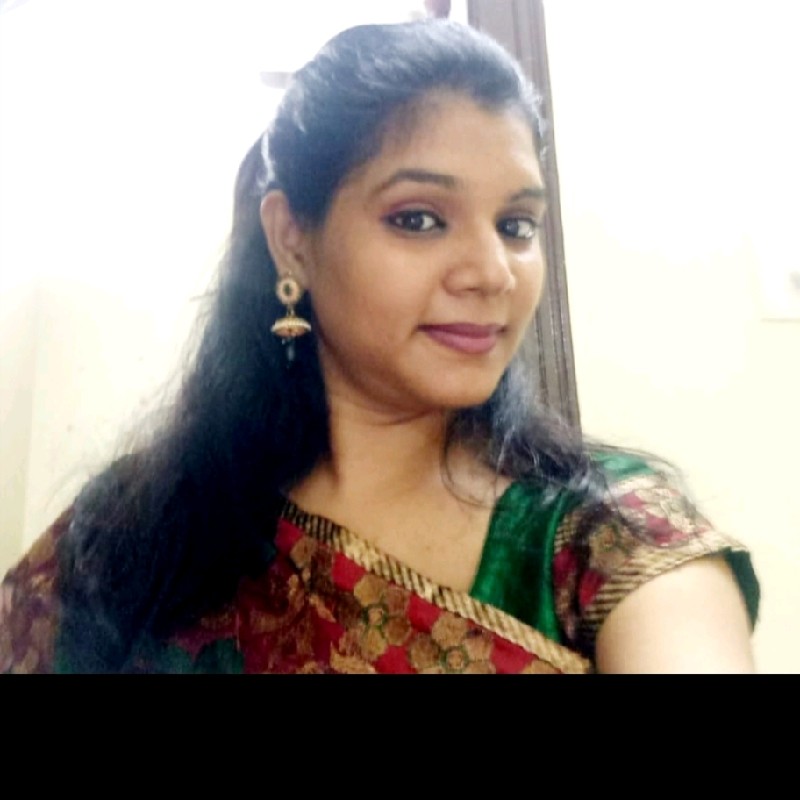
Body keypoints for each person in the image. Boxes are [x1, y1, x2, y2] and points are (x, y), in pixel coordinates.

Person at [0, 19, 759, 674]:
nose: (493, 272)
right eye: (419, 218)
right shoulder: (134, 530)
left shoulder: (612, 538)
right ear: (292, 239)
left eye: (516, 225)